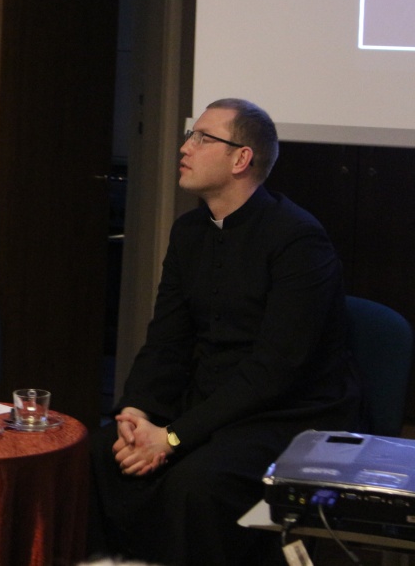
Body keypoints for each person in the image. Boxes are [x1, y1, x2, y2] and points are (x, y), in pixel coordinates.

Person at [87, 99, 362, 566]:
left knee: (196, 482)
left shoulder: (298, 239)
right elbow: (167, 340)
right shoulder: (189, 232)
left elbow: (276, 370)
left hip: (287, 415)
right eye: (189, 136)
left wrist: (172, 438)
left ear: (241, 159)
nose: (184, 147)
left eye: (202, 138)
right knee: (102, 452)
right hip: (209, 399)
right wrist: (136, 411)